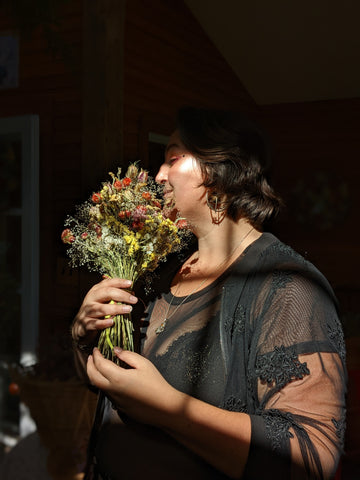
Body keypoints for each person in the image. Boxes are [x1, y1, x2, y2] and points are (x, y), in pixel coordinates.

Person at [72, 107, 346, 479]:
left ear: (220, 171)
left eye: (172, 158)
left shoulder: (286, 286)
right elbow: (111, 387)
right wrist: (84, 339)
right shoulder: (161, 272)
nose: (158, 176)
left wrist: (169, 409)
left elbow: (312, 455)